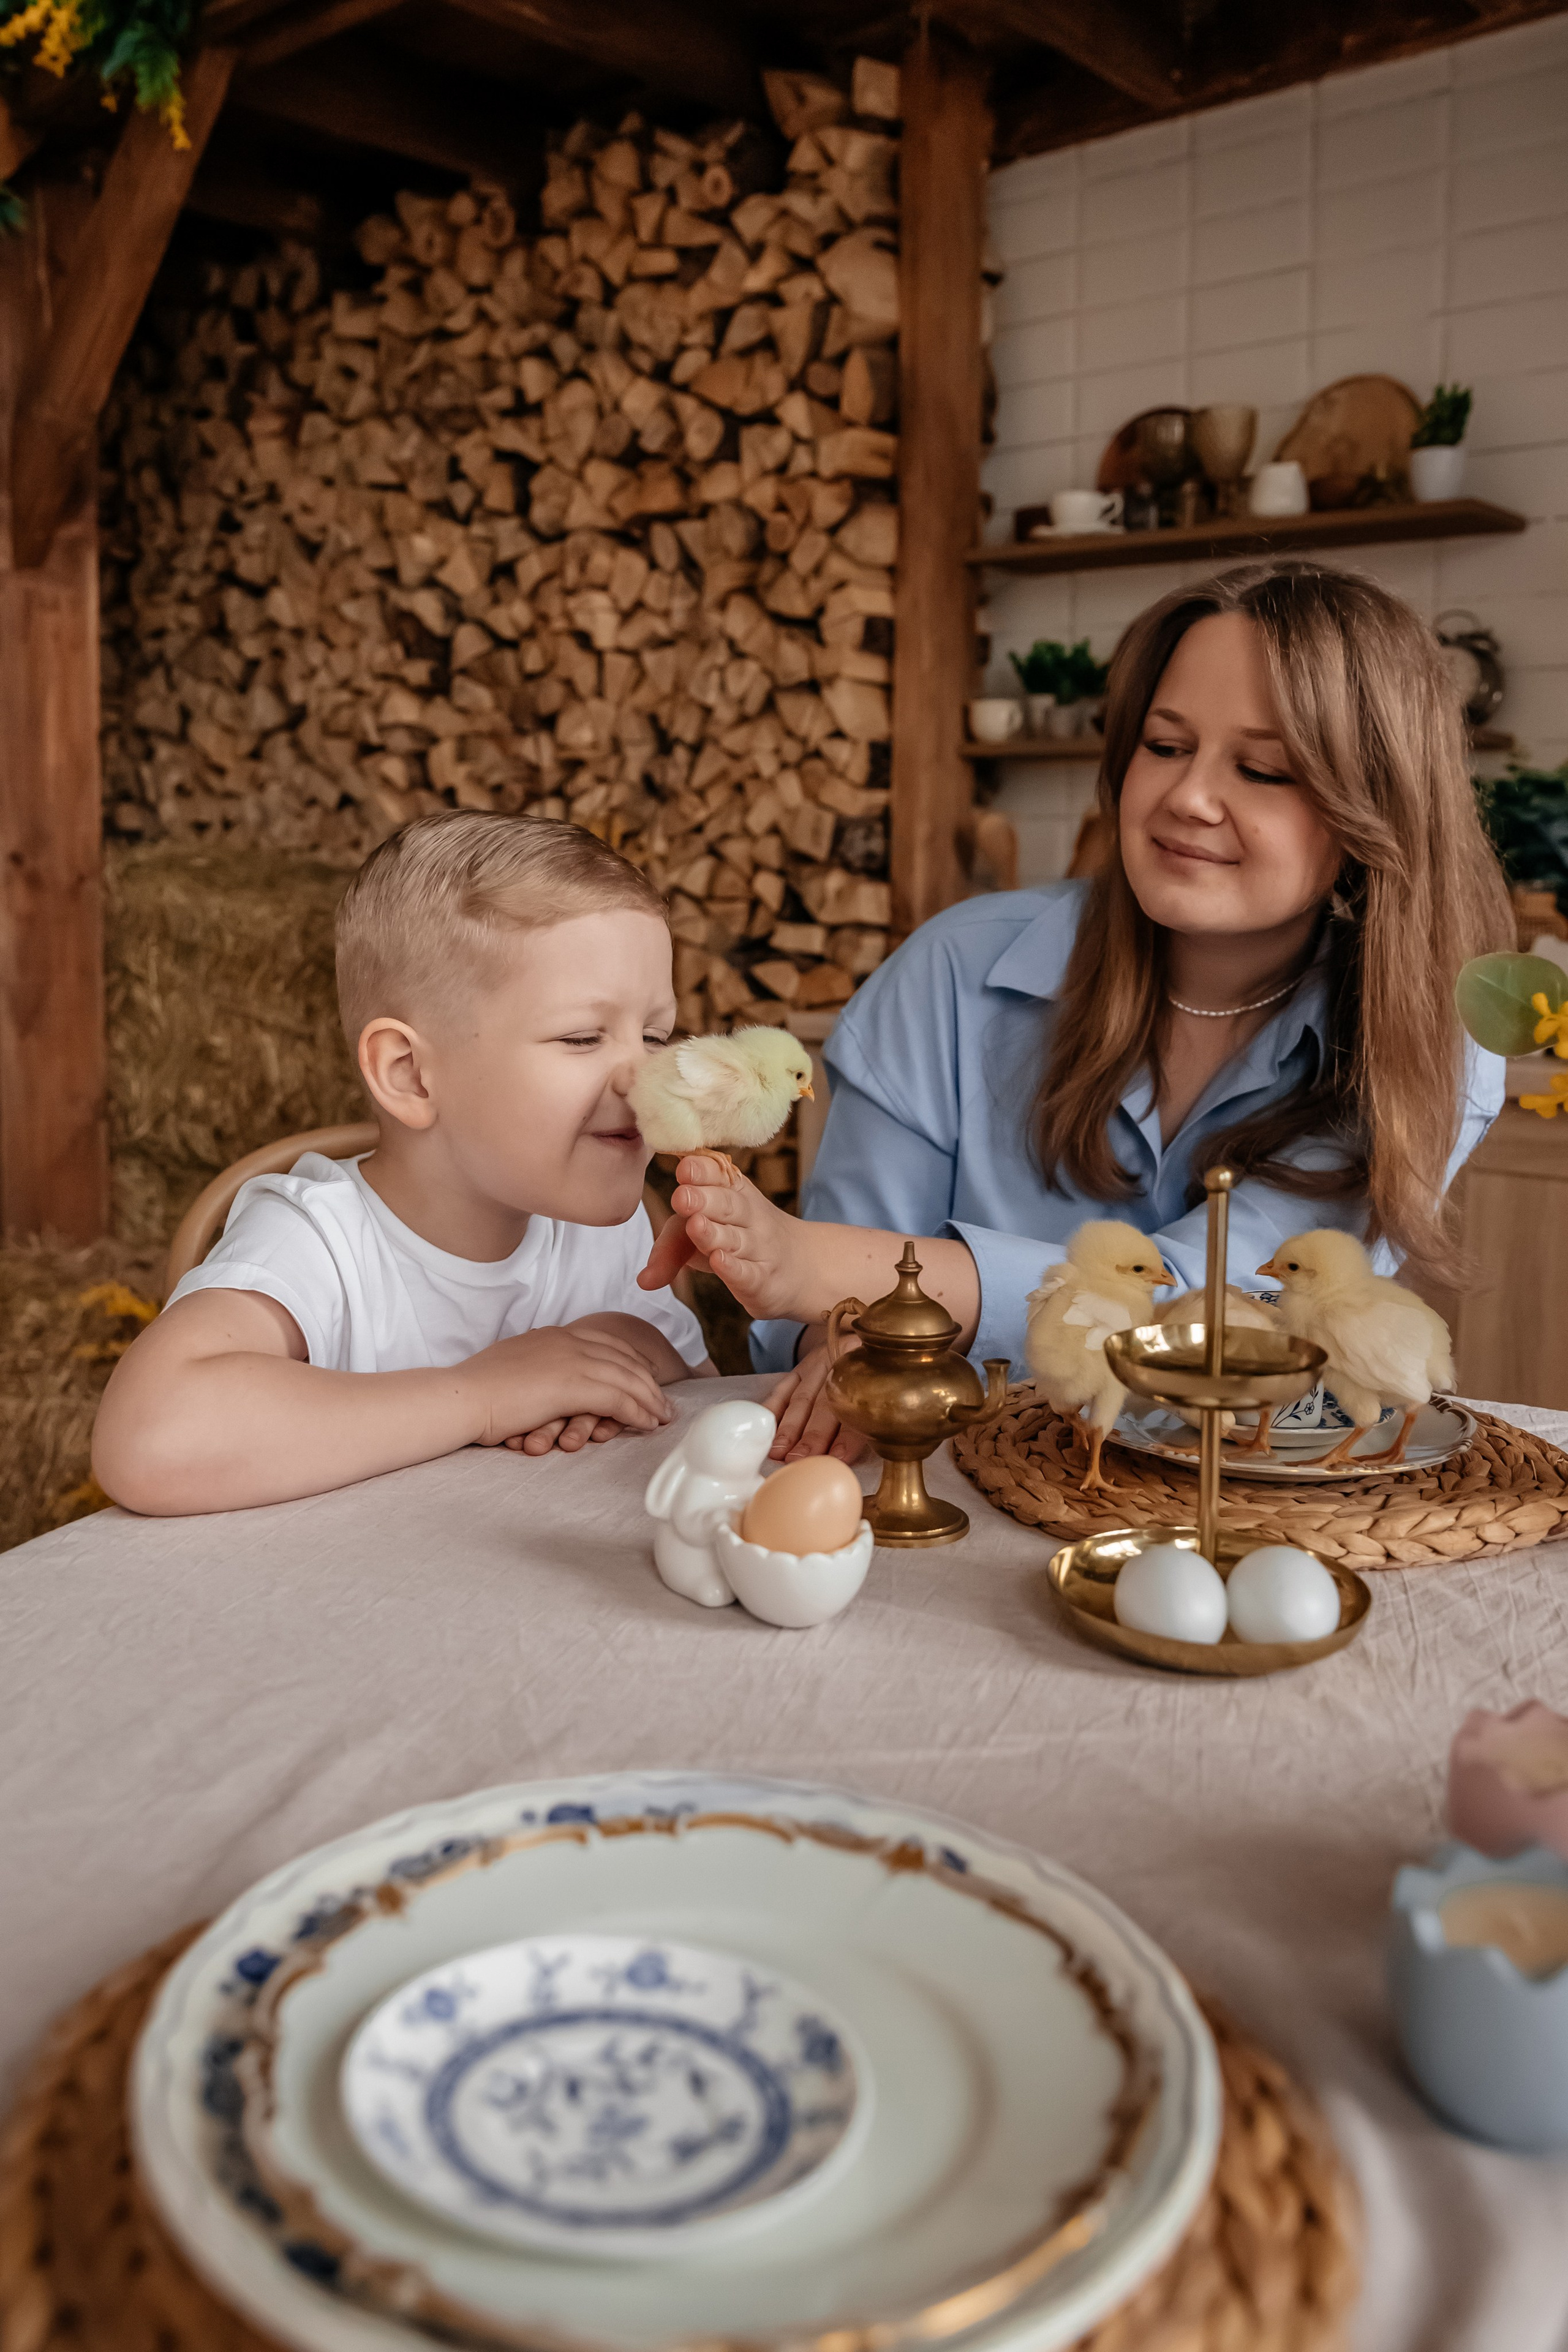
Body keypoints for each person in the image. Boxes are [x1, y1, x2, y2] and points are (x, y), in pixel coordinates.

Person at [640, 562, 1512, 1461]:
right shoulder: (953, 972)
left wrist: (826, 1268)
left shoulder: (1423, 1043)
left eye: (1262, 769)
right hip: (945, 1473)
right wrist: (841, 1329)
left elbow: (1222, 1314)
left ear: (1374, 811)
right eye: (1165, 746)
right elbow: (817, 1323)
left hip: (1248, 1496)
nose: (1189, 797)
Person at [95, 813, 712, 1515]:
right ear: (412, 1076)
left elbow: (702, 1401)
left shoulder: (610, 1225)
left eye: (657, 1034)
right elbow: (151, 1439)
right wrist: (482, 1395)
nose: (649, 1078)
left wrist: (630, 1346)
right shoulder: (318, 1240)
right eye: (580, 1037)